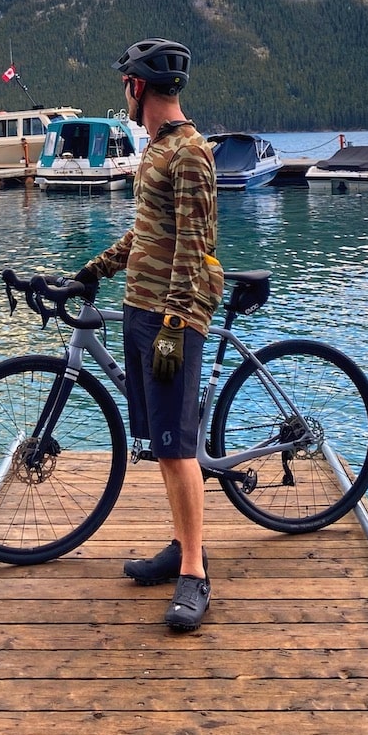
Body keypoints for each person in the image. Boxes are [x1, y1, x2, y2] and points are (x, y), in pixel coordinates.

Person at [72, 38, 223, 632]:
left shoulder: (190, 153)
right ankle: (185, 546)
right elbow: (146, 236)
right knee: (161, 443)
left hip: (169, 323)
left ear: (137, 88)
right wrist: (95, 269)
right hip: (140, 311)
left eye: (124, 86)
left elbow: (198, 247)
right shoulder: (157, 151)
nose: (123, 95)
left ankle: (195, 574)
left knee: (178, 448)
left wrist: (178, 322)